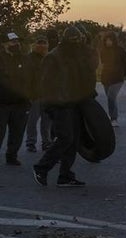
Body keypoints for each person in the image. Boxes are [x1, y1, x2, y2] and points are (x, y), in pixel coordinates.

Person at [32, 25, 96, 187]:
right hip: (59, 104)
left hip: (75, 103)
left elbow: (83, 77)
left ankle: (65, 175)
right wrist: (52, 104)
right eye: (75, 40)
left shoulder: (76, 56)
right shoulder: (53, 57)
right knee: (65, 137)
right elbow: (46, 83)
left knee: (73, 140)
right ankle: (41, 167)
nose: (78, 43)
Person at [0, 31, 30, 166]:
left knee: (17, 132)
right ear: (4, 44)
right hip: (2, 103)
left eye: (17, 41)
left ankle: (11, 156)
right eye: (13, 42)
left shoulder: (24, 58)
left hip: (21, 103)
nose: (16, 44)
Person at [97, 32, 126, 127]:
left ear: (113, 40)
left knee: (111, 96)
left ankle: (114, 118)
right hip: (106, 78)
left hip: (117, 79)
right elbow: (103, 63)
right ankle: (112, 116)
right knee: (110, 98)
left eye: (110, 40)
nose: (108, 42)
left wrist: (123, 74)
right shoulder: (103, 51)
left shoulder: (120, 51)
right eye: (106, 40)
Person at [24, 37, 51, 152]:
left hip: (47, 95)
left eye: (44, 44)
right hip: (34, 95)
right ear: (35, 45)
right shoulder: (29, 58)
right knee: (32, 120)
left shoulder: (49, 58)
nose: (42, 46)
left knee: (46, 121)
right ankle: (31, 142)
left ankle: (46, 142)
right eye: (40, 44)